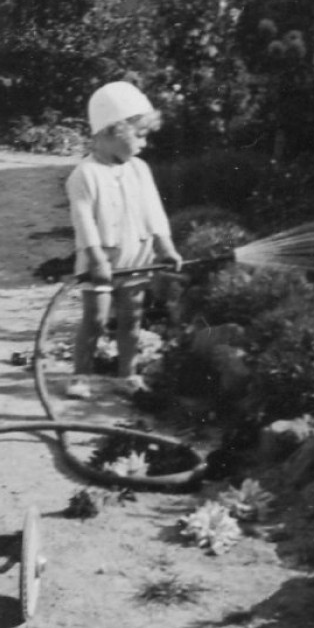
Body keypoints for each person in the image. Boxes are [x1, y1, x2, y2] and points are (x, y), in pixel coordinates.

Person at [65, 80, 182, 398]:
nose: (145, 143)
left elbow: (154, 212)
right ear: (111, 131)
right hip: (99, 263)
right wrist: (96, 259)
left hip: (136, 257)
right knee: (97, 318)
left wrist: (165, 246)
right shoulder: (85, 175)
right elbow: (83, 220)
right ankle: (81, 376)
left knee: (132, 319)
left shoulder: (140, 170)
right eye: (140, 135)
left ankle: (125, 376)